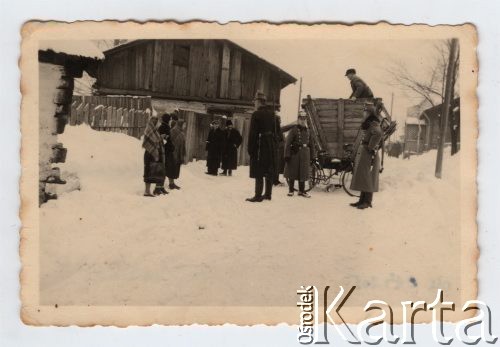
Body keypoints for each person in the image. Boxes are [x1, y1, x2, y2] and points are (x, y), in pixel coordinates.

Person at [349, 105, 383, 209]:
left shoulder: (374, 124)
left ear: (369, 114)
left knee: (368, 177)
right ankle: (362, 200)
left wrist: (370, 147)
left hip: (369, 154)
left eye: (365, 112)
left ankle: (367, 202)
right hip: (366, 153)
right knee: (364, 177)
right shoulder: (369, 124)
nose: (363, 114)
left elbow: (378, 134)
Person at [246, 91, 277, 202]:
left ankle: (258, 195)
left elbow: (253, 133)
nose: (254, 103)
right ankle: (268, 194)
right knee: (269, 169)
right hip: (271, 146)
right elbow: (277, 132)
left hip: (260, 145)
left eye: (255, 101)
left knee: (259, 169)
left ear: (258, 102)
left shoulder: (256, 114)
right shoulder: (272, 114)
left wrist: (251, 149)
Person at [284, 111, 315, 198]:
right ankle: (291, 190)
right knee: (292, 172)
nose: (303, 120)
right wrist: (287, 155)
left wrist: (313, 156)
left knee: (303, 173)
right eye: (301, 119)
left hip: (305, 154)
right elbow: (287, 143)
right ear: (298, 119)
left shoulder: (308, 131)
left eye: (304, 119)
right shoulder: (293, 130)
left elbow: (311, 144)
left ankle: (302, 191)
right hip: (295, 153)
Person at [142, 115, 165, 197]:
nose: (155, 121)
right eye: (153, 119)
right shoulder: (149, 128)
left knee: (151, 172)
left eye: (156, 120)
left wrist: (160, 139)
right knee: (148, 171)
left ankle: (148, 191)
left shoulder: (155, 130)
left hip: (153, 153)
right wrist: (160, 138)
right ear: (151, 120)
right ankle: (146, 191)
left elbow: (156, 140)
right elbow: (151, 140)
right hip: (149, 153)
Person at [156, 113, 174, 195]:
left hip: (165, 151)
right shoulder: (164, 127)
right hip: (164, 151)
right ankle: (158, 188)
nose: (170, 121)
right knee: (162, 169)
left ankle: (161, 187)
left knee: (164, 169)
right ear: (167, 120)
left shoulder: (164, 127)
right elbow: (163, 139)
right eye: (169, 119)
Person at [166, 118, 186, 189]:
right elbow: (170, 142)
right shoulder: (173, 131)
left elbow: (182, 144)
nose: (185, 126)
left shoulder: (182, 132)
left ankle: (172, 183)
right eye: (184, 125)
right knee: (171, 168)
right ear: (180, 124)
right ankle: (171, 184)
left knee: (175, 169)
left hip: (178, 154)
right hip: (172, 153)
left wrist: (183, 153)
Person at [273, 114, 285, 186]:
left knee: (278, 165)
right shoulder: (275, 129)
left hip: (279, 149)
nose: (280, 121)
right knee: (276, 165)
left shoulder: (278, 128)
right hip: (277, 149)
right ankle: (274, 181)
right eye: (279, 120)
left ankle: (276, 180)